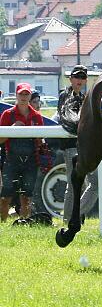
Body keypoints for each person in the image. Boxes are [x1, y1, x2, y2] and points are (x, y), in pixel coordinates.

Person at [57, 65, 98, 223]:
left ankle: (72, 218)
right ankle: (71, 218)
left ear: (86, 80)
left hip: (83, 145)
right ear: (70, 79)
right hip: (71, 146)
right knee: (77, 185)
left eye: (82, 77)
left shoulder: (85, 98)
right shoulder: (65, 95)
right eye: (76, 77)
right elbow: (68, 119)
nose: (79, 80)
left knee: (89, 185)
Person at [0, 83, 45, 221]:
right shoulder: (7, 115)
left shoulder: (37, 116)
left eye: (26, 94)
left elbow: (40, 140)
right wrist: (13, 129)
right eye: (21, 94)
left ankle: (24, 222)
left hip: (31, 161)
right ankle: (2, 223)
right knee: (5, 195)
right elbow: (0, 140)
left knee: (26, 196)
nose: (24, 97)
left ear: (30, 96)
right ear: (16, 95)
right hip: (11, 160)